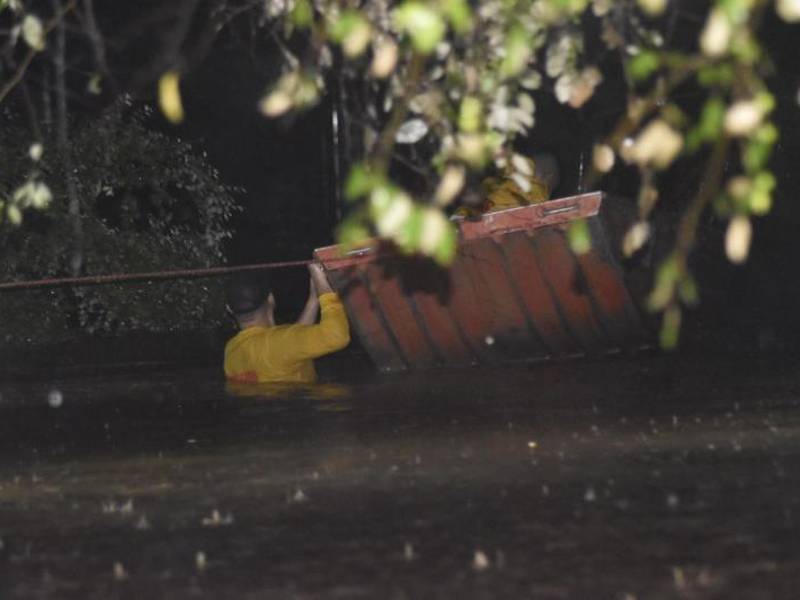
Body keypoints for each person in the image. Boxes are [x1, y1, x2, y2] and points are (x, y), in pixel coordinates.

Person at [224, 263, 350, 384]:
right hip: (305, 402)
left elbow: (292, 343)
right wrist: (324, 288)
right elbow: (336, 336)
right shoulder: (276, 344)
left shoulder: (231, 351)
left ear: (229, 309)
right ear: (271, 299)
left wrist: (314, 300)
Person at [455, 152, 560, 217]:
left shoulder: (503, 182)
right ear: (548, 176)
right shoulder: (530, 176)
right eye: (550, 186)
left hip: (484, 213)